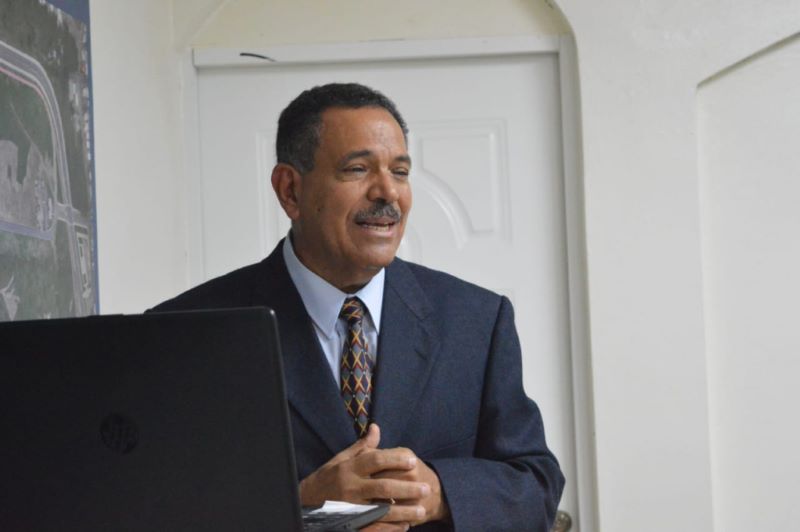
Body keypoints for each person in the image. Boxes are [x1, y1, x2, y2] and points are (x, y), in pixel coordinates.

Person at [152, 83, 564, 531]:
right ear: (290, 191)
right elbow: (152, 509)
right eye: (357, 169)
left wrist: (439, 492)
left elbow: (536, 485)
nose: (388, 192)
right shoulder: (185, 332)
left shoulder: (478, 320)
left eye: (400, 172)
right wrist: (302, 505)